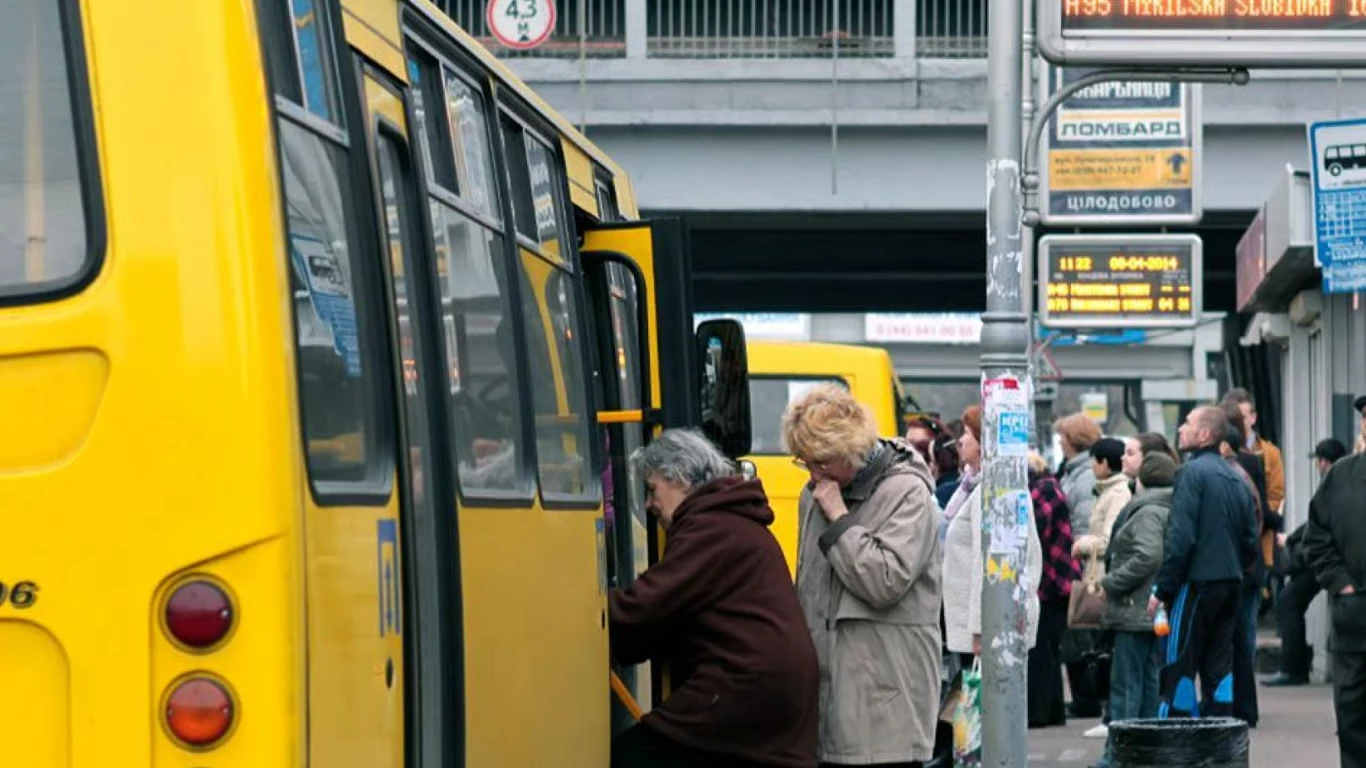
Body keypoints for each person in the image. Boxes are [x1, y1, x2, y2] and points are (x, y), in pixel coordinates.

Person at [609, 429, 819, 768]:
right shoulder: (730, 520)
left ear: (678, 477)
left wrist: (593, 613)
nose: (649, 505)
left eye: (652, 490)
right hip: (769, 690)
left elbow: (650, 603)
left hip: (745, 687)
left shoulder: (711, 527)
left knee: (634, 755)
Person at [784, 384, 943, 768]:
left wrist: (839, 519)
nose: (812, 475)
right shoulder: (817, 491)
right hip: (825, 700)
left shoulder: (908, 492)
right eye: (805, 462)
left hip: (884, 702)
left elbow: (885, 581)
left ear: (851, 450)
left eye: (820, 462)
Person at [1150, 406, 1260, 719]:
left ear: (1204, 435)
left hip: (1196, 583)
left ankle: (1178, 743)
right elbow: (1249, 538)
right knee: (1219, 666)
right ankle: (1220, 743)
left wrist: (1163, 589)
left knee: (1179, 663)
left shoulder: (1190, 474)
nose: (1181, 429)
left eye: (1187, 423)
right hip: (1230, 582)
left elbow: (1181, 538)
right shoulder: (1236, 477)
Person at [942, 405, 1043, 658]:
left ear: (982, 443)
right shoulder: (976, 487)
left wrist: (980, 628)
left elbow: (985, 561)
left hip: (986, 630)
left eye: (967, 433)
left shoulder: (991, 489)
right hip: (987, 626)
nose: (960, 440)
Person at [1097, 452, 1177, 768]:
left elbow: (1148, 556)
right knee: (1147, 685)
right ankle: (1146, 752)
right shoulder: (1165, 508)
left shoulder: (1146, 512)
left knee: (1125, 687)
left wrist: (1111, 582)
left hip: (1134, 609)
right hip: (1150, 611)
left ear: (1142, 479)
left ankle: (1119, 753)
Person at [1264, 437, 1348, 686]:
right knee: (1290, 601)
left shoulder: (1332, 485)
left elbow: (1319, 524)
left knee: (1289, 601)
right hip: (1332, 558)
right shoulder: (1344, 481)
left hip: (1327, 559)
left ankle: (1293, 668)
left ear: (1324, 462)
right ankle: (1296, 665)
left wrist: (1294, 542)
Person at [1302, 444, 1366, 768]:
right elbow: (1315, 537)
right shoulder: (1340, 475)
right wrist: (1342, 583)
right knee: (1352, 712)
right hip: (1354, 616)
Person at [1053, 412, 1106, 718]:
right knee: (1078, 635)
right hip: (1077, 562)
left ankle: (1087, 699)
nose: (1060, 441)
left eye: (1063, 436)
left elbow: (1085, 522)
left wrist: (1076, 552)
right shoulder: (1076, 470)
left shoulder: (1083, 475)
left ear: (1073, 440)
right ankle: (1086, 698)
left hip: (1083, 564)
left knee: (1080, 634)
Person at [1027, 450, 1077, 729]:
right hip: (1054, 579)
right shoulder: (1049, 488)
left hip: (1048, 581)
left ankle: (1041, 712)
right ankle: (1051, 710)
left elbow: (1036, 530)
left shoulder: (1042, 492)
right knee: (1047, 650)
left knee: (1041, 651)